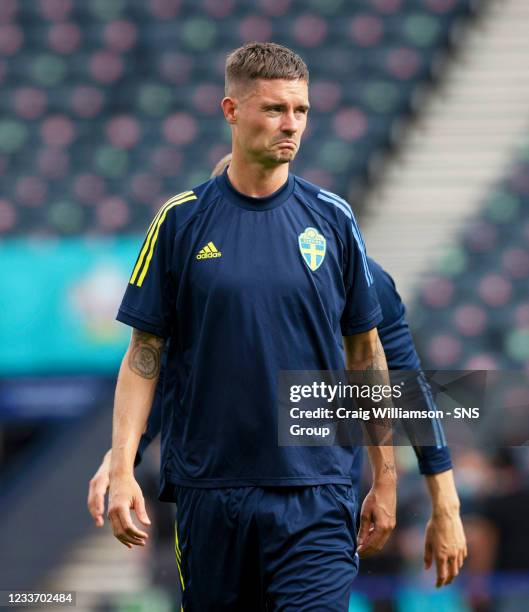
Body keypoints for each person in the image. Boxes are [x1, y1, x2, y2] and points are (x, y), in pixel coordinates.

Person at [106, 42, 399, 611]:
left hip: (317, 491)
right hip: (210, 491)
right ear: (231, 111)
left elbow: (366, 354)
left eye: (301, 111)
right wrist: (121, 469)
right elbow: (144, 355)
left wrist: (384, 476)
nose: (291, 125)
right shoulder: (180, 221)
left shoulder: (334, 220)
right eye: (274, 109)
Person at [89, 199, 467, 592]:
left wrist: (445, 503)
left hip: (319, 497)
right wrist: (121, 458)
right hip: (217, 497)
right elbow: (161, 373)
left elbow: (410, 386)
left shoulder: (355, 274)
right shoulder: (206, 277)